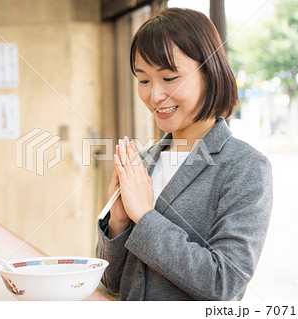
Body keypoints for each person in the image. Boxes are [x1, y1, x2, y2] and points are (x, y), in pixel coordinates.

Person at [96, 7, 273, 301]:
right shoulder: (142, 161)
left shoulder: (245, 167)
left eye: (169, 78)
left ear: (209, 73)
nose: (154, 96)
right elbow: (111, 283)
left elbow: (224, 283)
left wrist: (144, 216)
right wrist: (119, 222)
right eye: (143, 80)